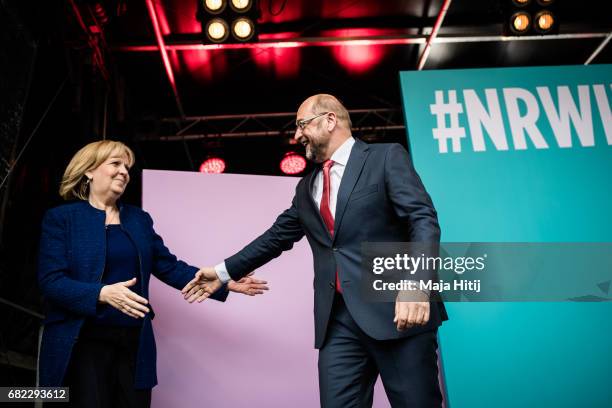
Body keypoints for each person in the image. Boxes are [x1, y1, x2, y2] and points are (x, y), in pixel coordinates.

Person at [183, 94, 448, 408]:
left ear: (329, 120)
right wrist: (222, 272)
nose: (296, 136)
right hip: (338, 324)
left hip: (397, 312)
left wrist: (416, 285)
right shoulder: (306, 187)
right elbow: (276, 237)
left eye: (301, 125)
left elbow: (423, 219)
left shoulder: (386, 156)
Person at [37, 140, 268, 408]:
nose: (124, 171)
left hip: (134, 342)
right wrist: (101, 293)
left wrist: (223, 280)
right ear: (89, 171)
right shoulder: (61, 219)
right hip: (83, 342)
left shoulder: (139, 219)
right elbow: (51, 282)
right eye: (115, 164)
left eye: (127, 166)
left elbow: (168, 266)